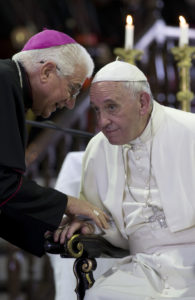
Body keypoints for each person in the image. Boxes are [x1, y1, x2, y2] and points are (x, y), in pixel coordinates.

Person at [74, 60, 195, 299]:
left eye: (111, 107)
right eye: (97, 110)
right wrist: (90, 225)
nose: (101, 122)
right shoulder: (99, 148)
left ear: (143, 103)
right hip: (145, 267)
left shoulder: (190, 132)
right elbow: (100, 216)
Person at [0, 29, 109, 257]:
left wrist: (52, 228)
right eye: (72, 89)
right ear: (47, 71)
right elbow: (3, 184)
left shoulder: (11, 84)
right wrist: (66, 203)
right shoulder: (3, 82)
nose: (70, 104)